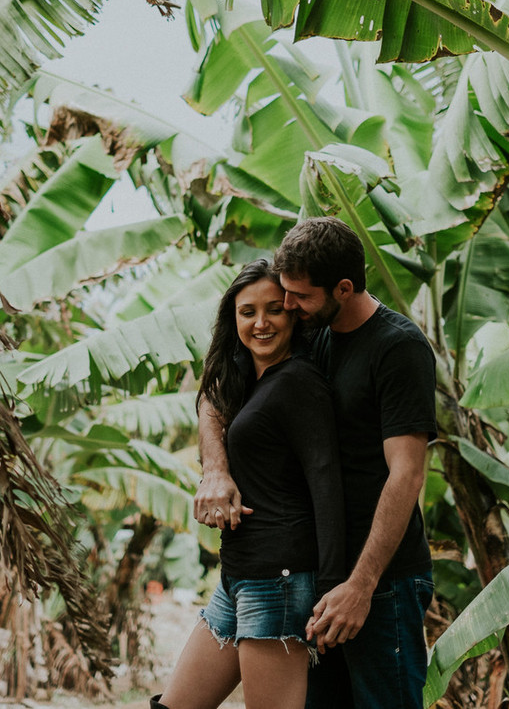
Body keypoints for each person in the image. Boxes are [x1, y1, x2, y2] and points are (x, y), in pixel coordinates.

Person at [195, 217, 436, 709]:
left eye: (299, 297)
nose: (287, 306)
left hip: (381, 578)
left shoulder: (397, 347)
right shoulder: (315, 333)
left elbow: (407, 473)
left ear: (343, 289)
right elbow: (216, 394)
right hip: (323, 576)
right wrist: (215, 469)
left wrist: (360, 586)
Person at [152, 259, 345, 709]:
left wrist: (334, 585)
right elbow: (209, 400)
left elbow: (326, 484)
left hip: (277, 579)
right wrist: (214, 471)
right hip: (239, 576)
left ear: (294, 315)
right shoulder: (248, 379)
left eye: (274, 310)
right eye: (247, 312)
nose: (260, 323)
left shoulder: (299, 382)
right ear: (232, 317)